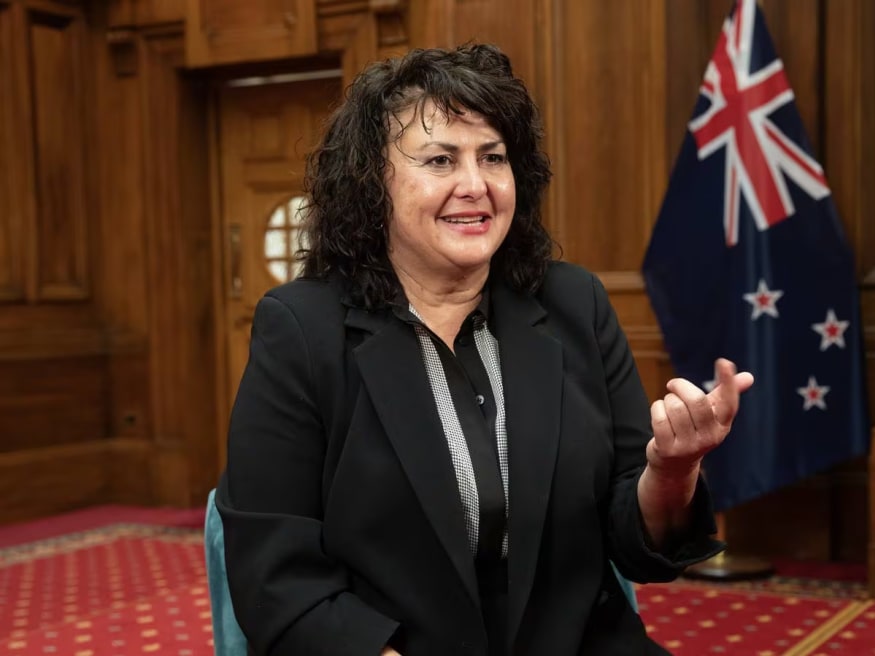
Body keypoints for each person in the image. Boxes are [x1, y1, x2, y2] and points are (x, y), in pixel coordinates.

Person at [215, 43, 754, 656]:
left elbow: (637, 546)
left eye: (492, 157)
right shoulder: (302, 329)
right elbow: (278, 580)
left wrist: (671, 473)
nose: (475, 185)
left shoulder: (575, 304)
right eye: (440, 160)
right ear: (372, 183)